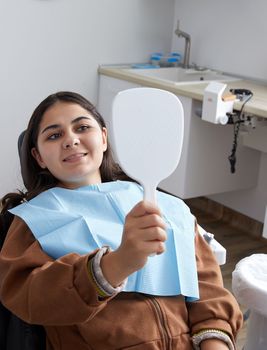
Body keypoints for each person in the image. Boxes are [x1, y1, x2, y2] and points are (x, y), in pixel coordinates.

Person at [0, 91, 243, 350]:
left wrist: (214, 339)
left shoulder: (168, 208)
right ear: (38, 157)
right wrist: (116, 264)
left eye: (82, 127)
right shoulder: (32, 220)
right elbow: (30, 298)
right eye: (54, 135)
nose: (71, 140)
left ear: (103, 138)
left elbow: (205, 284)